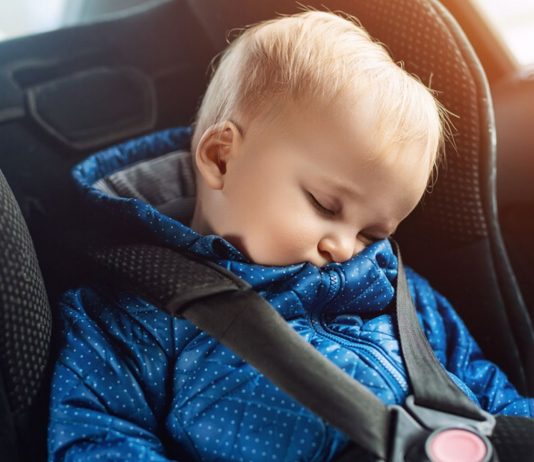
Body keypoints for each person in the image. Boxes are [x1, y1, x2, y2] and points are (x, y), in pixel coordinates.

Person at [48, 10, 533, 462]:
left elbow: (483, 386)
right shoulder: (131, 317)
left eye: (372, 232)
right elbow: (96, 436)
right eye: (325, 206)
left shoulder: (397, 291)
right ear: (221, 158)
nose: (344, 248)